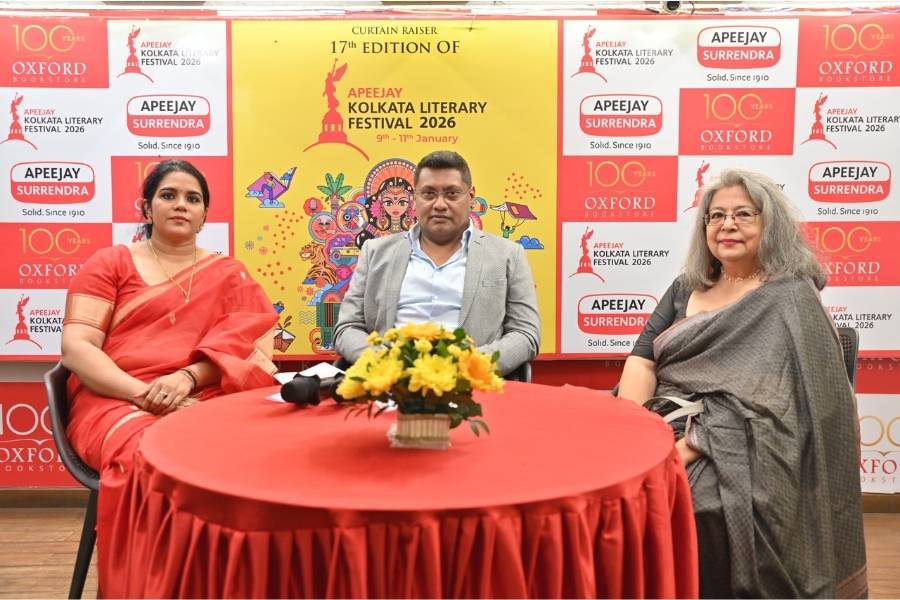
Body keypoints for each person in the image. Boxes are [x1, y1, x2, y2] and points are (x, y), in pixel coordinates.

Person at [617, 168, 867, 598]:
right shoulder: (685, 288)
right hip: (660, 421)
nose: (727, 225)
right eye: (716, 216)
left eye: (743, 214)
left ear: (769, 226)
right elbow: (642, 362)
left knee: (703, 504)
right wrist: (636, 430)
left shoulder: (789, 296)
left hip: (751, 438)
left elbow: (774, 398)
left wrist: (687, 446)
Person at [60, 159, 278, 585]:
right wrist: (143, 394)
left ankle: (230, 578)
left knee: (255, 448)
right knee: (157, 453)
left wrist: (188, 379)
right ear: (146, 208)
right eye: (169, 195)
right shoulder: (111, 263)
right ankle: (155, 582)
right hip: (115, 399)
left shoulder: (228, 273)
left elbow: (254, 353)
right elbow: (77, 347)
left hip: (201, 394)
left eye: (192, 199)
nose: (181, 205)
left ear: (204, 215)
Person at [334, 150, 540, 376]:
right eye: (429, 194)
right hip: (390, 383)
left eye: (452, 194)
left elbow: (526, 333)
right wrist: (384, 362)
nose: (439, 204)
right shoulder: (375, 253)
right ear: (415, 198)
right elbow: (347, 328)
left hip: (472, 386)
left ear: (470, 197)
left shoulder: (508, 255)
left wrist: (471, 365)